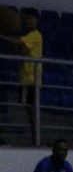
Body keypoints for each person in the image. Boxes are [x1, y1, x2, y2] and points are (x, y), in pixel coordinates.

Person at [16, 7, 43, 136]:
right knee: (28, 107)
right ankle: (33, 134)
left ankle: (34, 135)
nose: (28, 21)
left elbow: (18, 42)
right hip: (26, 76)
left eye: (31, 18)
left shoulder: (35, 35)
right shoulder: (27, 35)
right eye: (27, 19)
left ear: (37, 20)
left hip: (31, 78)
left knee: (30, 107)